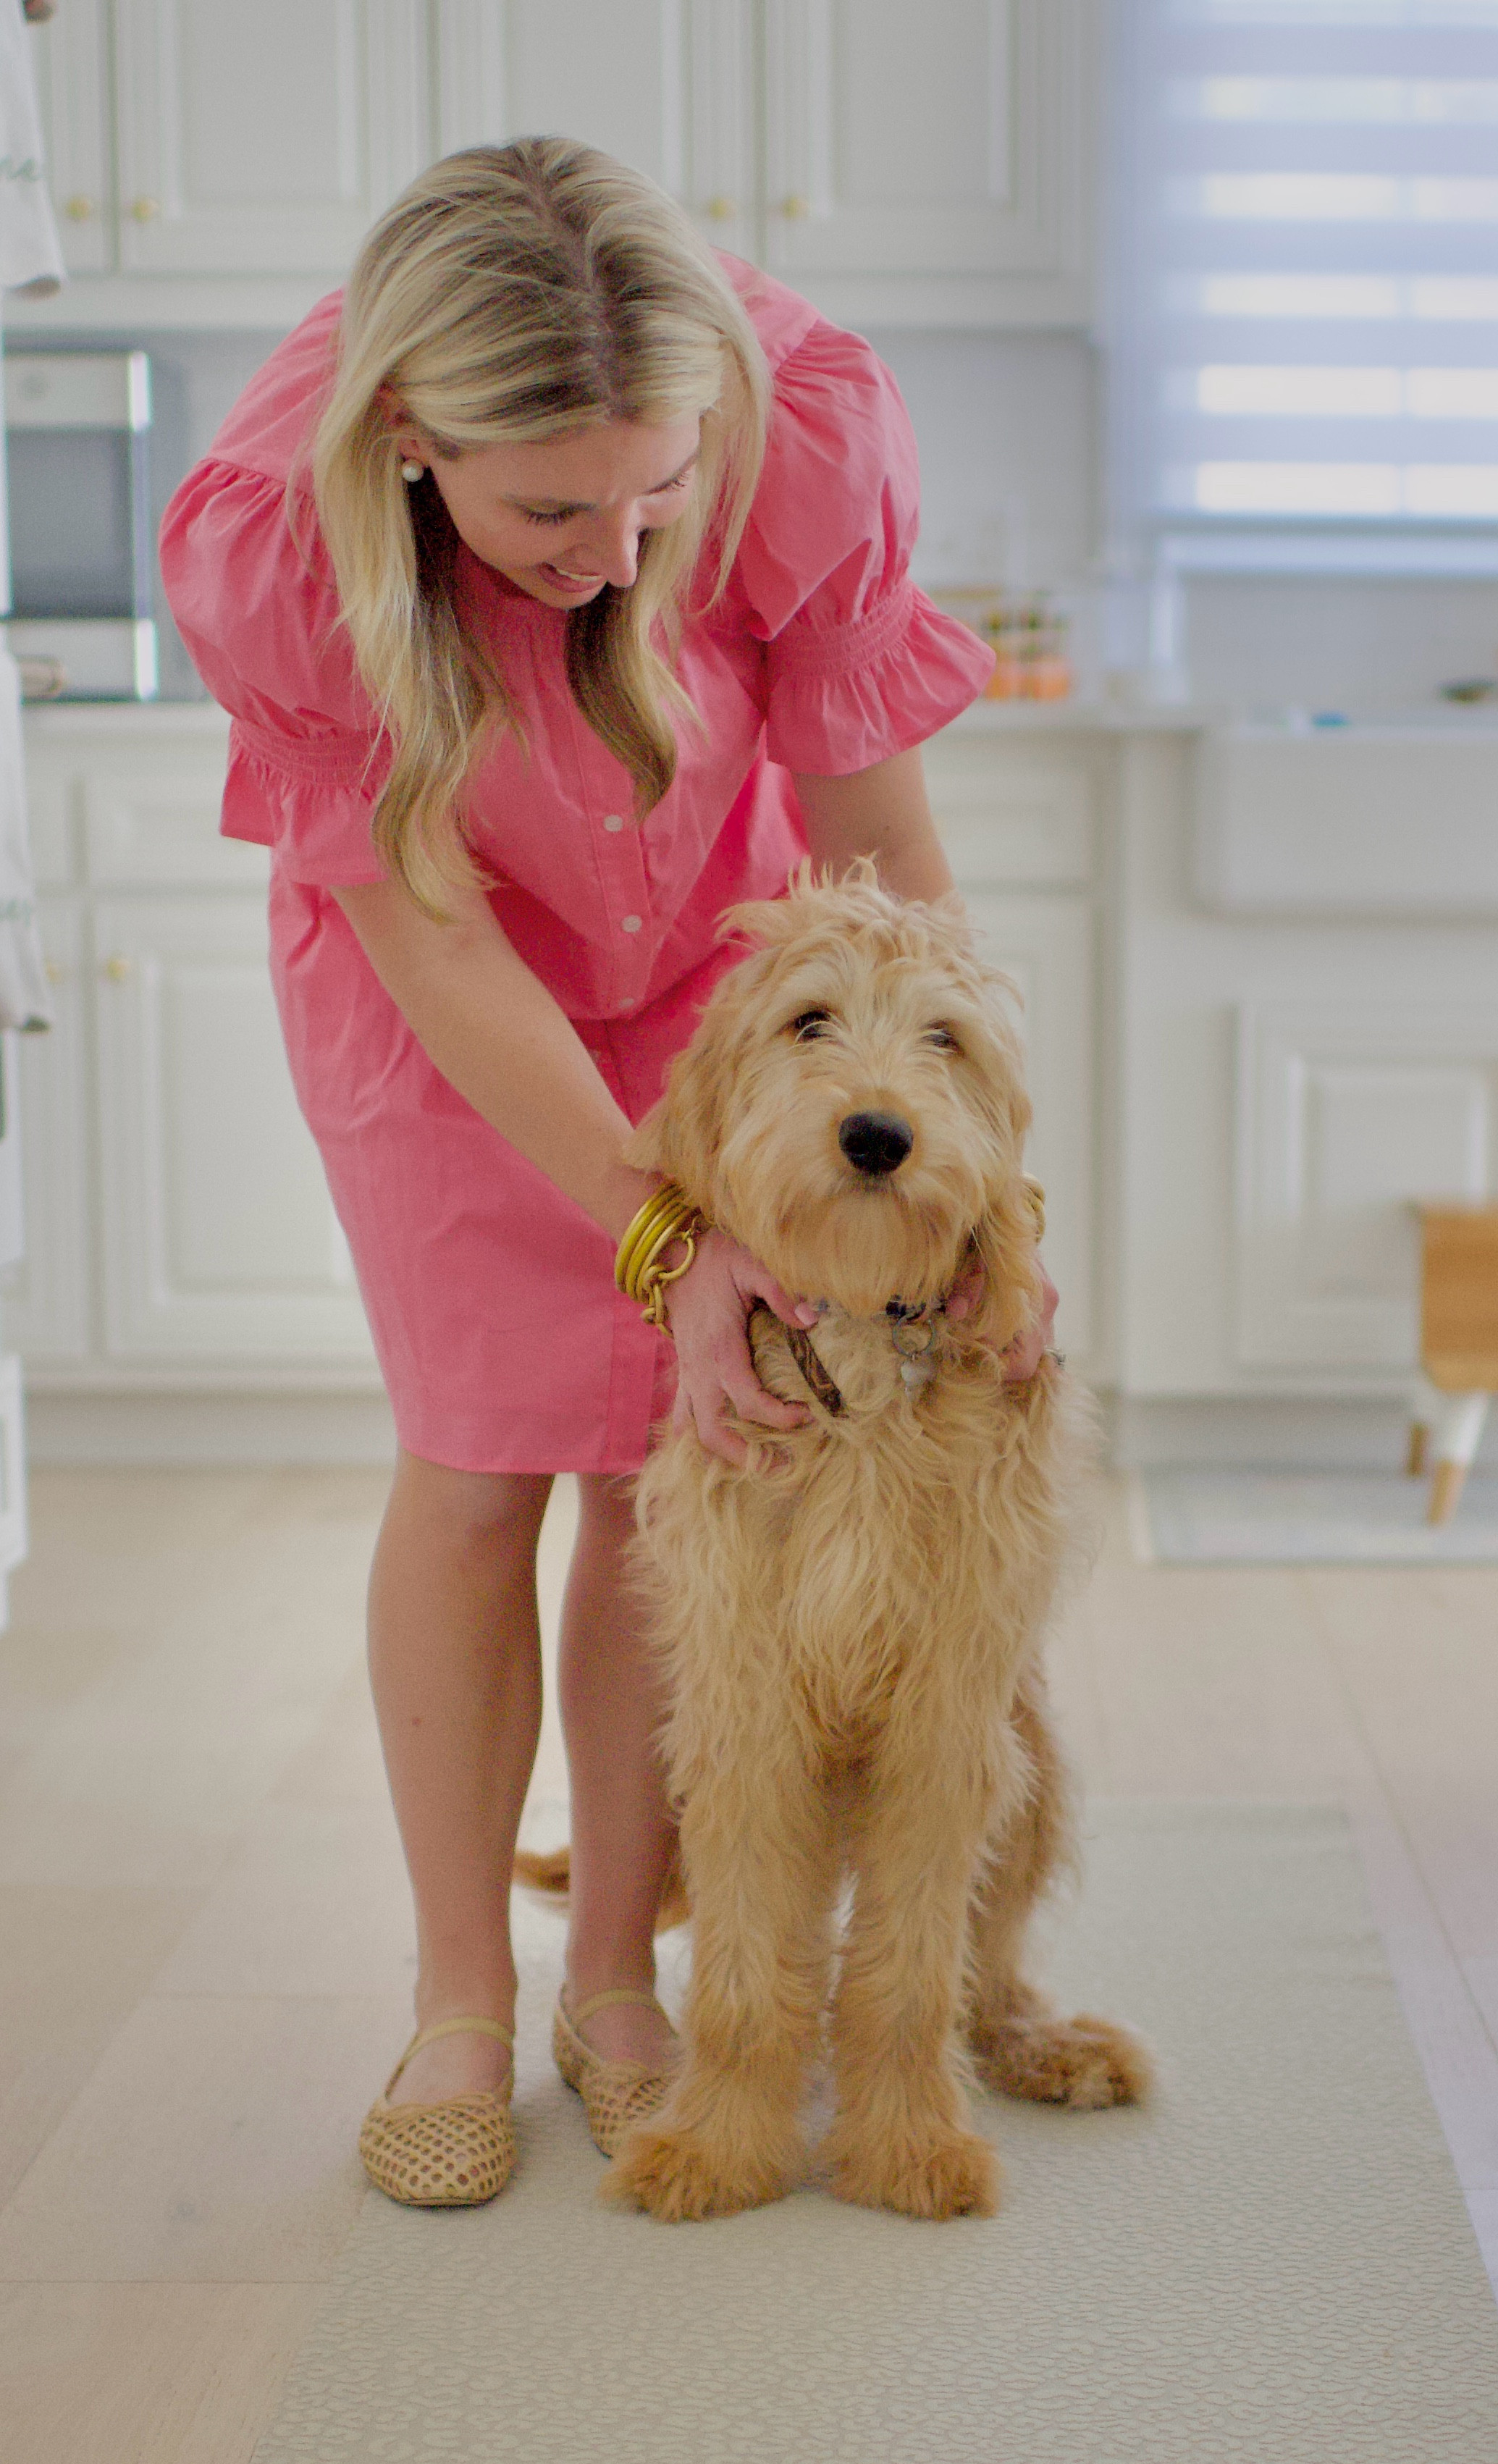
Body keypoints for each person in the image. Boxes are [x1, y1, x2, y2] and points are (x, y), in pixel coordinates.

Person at [160, 135, 1053, 2209]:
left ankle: (618, 1975)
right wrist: (664, 1226)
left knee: (688, 1452)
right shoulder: (277, 548)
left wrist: (992, 1185)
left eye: (656, 498)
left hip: (725, 975)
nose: (614, 550)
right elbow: (432, 928)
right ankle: (460, 1995)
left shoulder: (797, 434)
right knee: (480, 1468)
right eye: (550, 511)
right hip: (444, 1008)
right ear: (409, 437)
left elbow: (884, 856)